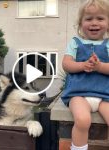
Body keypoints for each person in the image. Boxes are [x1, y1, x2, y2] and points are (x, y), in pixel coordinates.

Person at [61, 0, 109, 150]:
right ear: (81, 23)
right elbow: (66, 64)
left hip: (105, 94)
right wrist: (82, 65)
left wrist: (99, 66)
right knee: (82, 120)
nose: (94, 23)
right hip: (79, 94)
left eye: (100, 18)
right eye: (89, 19)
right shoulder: (75, 42)